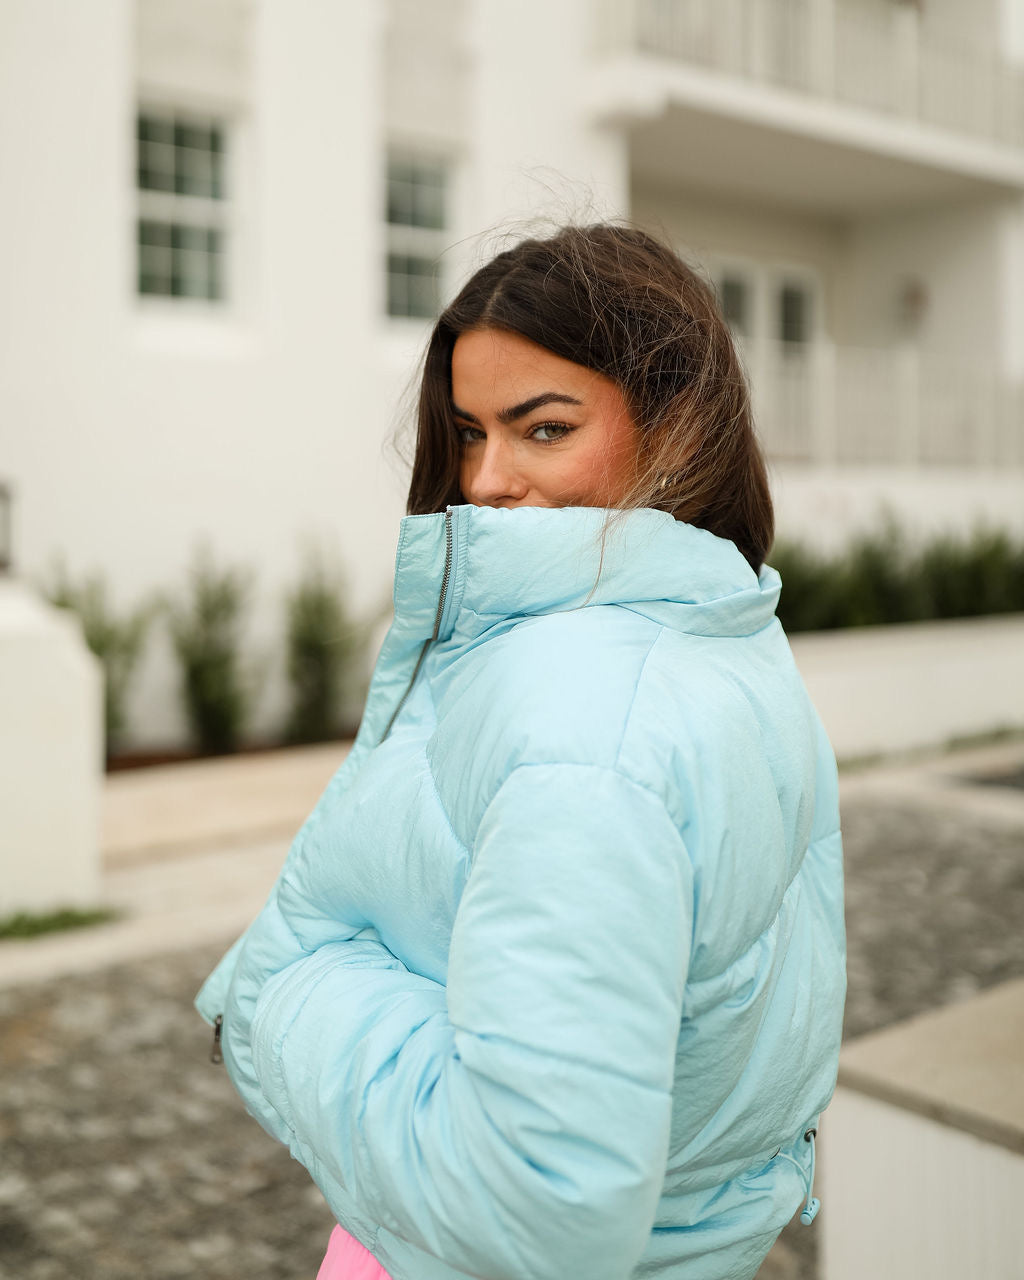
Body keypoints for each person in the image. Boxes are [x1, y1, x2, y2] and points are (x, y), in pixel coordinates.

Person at [196, 223, 846, 1280]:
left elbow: (543, 1200)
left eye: (542, 429)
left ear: (676, 424)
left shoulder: (591, 724)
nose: (486, 478)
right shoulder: (717, 633)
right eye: (466, 432)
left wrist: (277, 995)